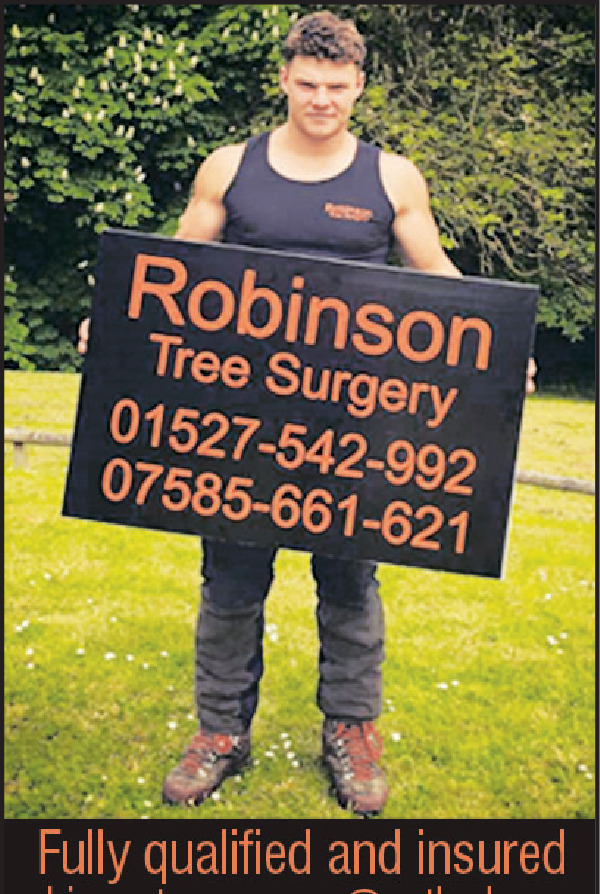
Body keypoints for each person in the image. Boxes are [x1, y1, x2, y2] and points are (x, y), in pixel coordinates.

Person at [78, 11, 536, 816]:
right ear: (285, 80)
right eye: (308, 84)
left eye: (336, 86)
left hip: (354, 428)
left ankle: (352, 733)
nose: (321, 99)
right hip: (238, 422)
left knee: (351, 583)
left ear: (359, 86)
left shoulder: (393, 179)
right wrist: (117, 320)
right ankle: (221, 731)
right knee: (230, 580)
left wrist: (504, 348)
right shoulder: (230, 168)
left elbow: (438, 273)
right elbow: (174, 267)